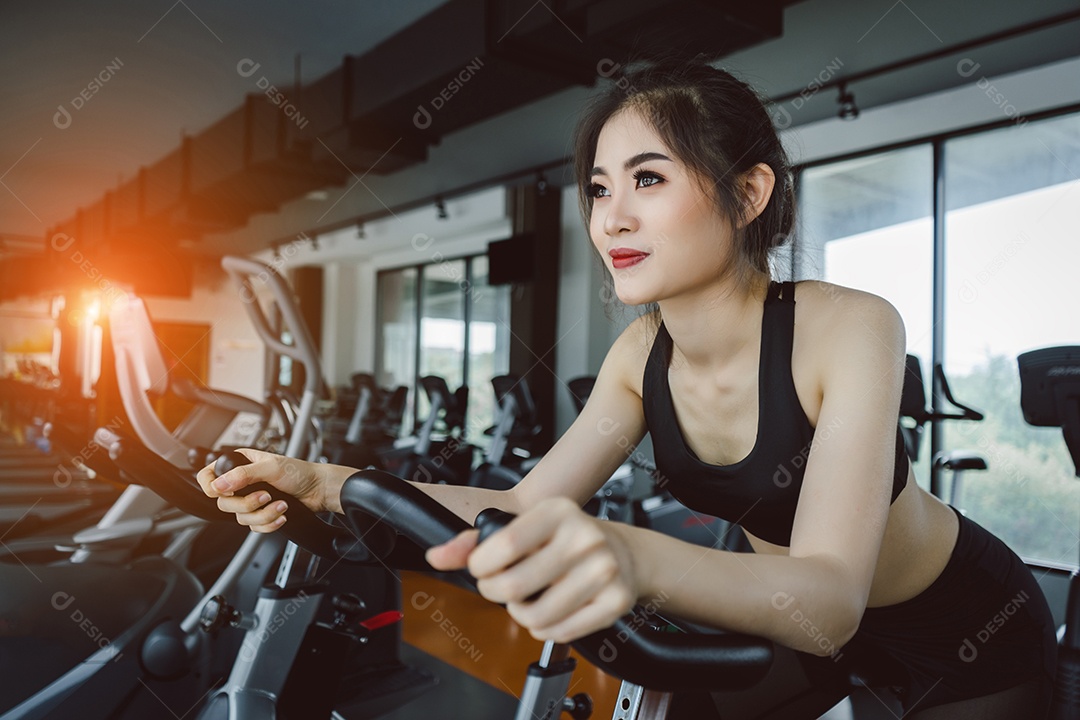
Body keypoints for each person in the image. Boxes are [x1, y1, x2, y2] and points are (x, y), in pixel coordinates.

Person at [198, 58, 1056, 718]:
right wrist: (325, 482)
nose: (610, 217)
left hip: (962, 629)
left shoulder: (850, 326)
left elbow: (829, 599)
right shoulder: (639, 357)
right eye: (600, 187)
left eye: (649, 179)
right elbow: (525, 506)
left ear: (748, 192)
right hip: (780, 620)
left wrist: (628, 552)